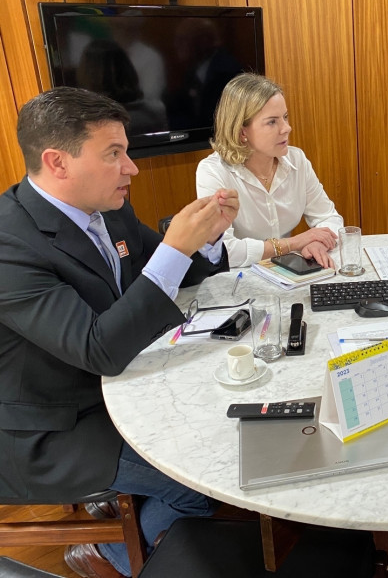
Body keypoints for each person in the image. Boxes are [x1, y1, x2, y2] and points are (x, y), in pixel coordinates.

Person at [0, 87, 239, 578]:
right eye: (114, 154)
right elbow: (97, 348)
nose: (131, 167)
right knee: (201, 481)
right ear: (57, 162)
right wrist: (174, 251)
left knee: (222, 425)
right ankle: (105, 557)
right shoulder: (9, 244)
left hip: (123, 384)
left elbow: (177, 274)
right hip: (55, 425)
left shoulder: (108, 207)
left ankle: (126, 509)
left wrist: (207, 236)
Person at [197, 73, 344, 268]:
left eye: (285, 117)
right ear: (242, 132)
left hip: (288, 273)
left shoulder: (296, 160)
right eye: (272, 122)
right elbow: (223, 252)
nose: (287, 128)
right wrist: (294, 243)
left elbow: (328, 217)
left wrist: (318, 242)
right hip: (238, 279)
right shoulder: (213, 172)